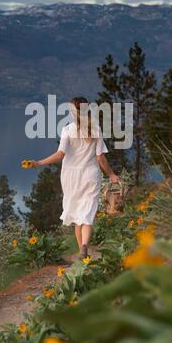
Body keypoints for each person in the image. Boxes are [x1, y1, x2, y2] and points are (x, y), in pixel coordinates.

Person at [31, 97, 120, 258]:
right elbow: (100, 158)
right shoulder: (95, 130)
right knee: (87, 213)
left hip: (71, 176)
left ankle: (81, 251)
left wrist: (38, 163)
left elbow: (60, 155)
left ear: (73, 112)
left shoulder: (67, 130)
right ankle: (85, 246)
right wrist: (112, 175)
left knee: (77, 214)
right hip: (90, 175)